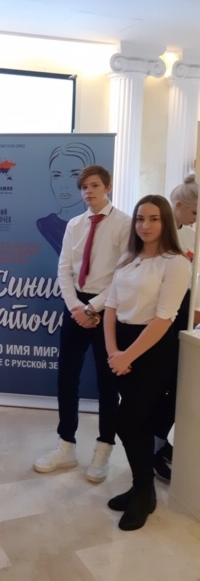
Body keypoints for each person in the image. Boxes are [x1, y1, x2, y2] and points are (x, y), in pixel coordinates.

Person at [33, 165, 131, 482]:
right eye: (84, 187)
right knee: (66, 378)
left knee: (107, 384)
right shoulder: (74, 224)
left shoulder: (124, 224)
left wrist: (93, 307)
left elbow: (123, 274)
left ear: (108, 187)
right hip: (75, 307)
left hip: (108, 306)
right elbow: (64, 269)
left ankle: (104, 449)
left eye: (95, 185)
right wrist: (76, 307)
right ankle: (66, 446)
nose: (88, 191)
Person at [104, 195, 190, 530]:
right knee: (133, 421)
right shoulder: (128, 258)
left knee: (128, 420)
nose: (145, 225)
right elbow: (111, 307)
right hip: (121, 345)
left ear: (166, 222)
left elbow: (164, 319)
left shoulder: (176, 263)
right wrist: (114, 351)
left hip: (153, 348)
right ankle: (141, 488)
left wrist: (127, 355)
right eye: (140, 218)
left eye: (154, 219)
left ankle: (144, 492)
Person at [152, 174, 198, 482]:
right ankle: (156, 449)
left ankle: (162, 447)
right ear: (179, 206)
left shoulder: (192, 235)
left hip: (185, 315)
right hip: (160, 315)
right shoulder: (156, 232)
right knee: (163, 382)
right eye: (194, 212)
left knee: (181, 382)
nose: (196, 218)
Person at [36, 142, 96, 255]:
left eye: (75, 175)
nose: (64, 185)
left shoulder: (97, 224)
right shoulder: (45, 225)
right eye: (56, 175)